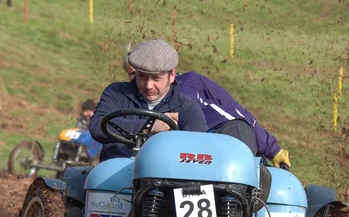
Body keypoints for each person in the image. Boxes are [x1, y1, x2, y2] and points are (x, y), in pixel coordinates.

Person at [123, 56, 291, 168]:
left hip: (223, 133)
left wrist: (272, 150)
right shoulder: (130, 101)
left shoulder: (190, 82)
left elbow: (235, 110)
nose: (147, 82)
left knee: (236, 174)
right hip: (182, 156)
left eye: (153, 74)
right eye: (136, 74)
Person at [89, 40, 208, 161]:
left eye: (156, 78)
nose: (148, 85)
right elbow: (97, 127)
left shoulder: (187, 108)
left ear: (172, 75)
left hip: (162, 175)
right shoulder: (116, 93)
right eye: (142, 77)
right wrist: (149, 126)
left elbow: (197, 150)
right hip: (115, 171)